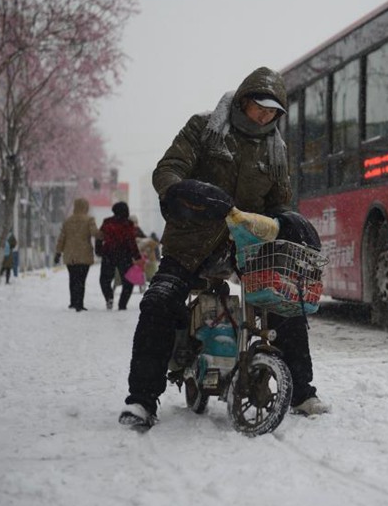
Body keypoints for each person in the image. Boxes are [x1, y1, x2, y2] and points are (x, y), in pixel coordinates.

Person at [119, 66, 329, 430]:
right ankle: (141, 400)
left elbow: (279, 199)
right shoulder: (204, 128)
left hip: (245, 245)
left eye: (272, 112)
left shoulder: (275, 149)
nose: (264, 116)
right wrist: (181, 191)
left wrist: (284, 218)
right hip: (192, 241)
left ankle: (301, 391)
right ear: (243, 101)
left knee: (286, 300)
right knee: (159, 303)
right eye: (258, 108)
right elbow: (167, 169)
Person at [54, 198, 101, 311]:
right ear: (85, 207)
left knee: (73, 278)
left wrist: (58, 252)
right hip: (84, 254)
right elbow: (95, 233)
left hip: (70, 254)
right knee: (81, 280)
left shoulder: (68, 221)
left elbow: (62, 238)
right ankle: (79, 303)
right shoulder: (89, 219)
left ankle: (73, 302)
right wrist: (103, 235)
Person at [98, 201, 140, 311]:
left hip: (108, 254)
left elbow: (100, 237)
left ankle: (109, 297)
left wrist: (99, 250)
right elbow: (132, 242)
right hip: (124, 255)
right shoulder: (128, 224)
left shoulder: (107, 222)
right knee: (128, 282)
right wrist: (137, 256)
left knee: (104, 280)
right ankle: (122, 304)